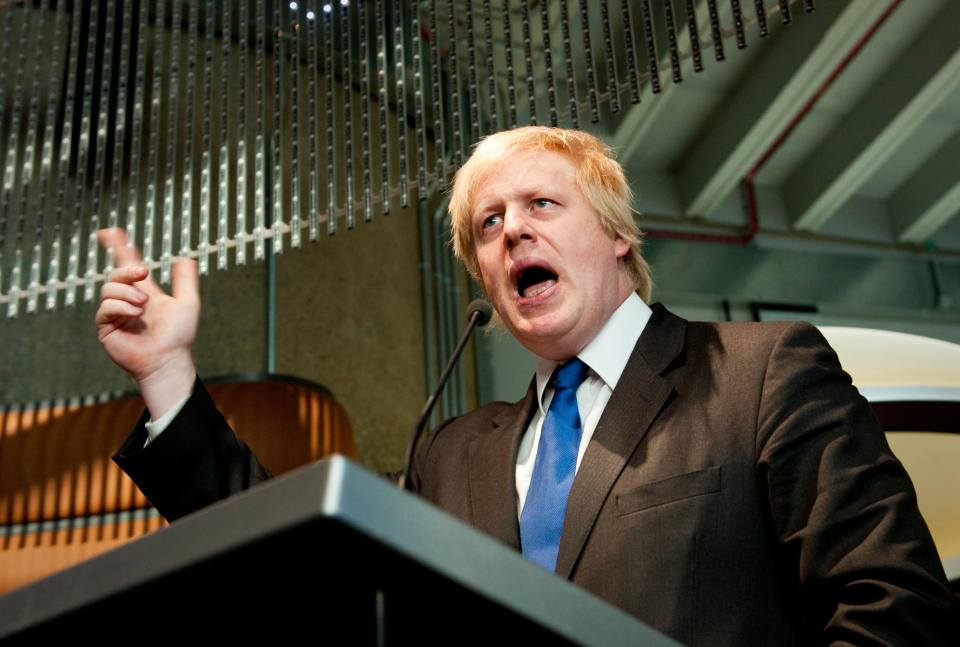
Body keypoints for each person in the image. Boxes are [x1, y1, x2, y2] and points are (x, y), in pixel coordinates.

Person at [96, 127, 956, 645]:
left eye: (542, 205)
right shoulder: (455, 451)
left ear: (618, 235)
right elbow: (316, 588)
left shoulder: (757, 371)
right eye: (488, 224)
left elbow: (892, 600)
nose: (512, 232)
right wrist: (169, 377)